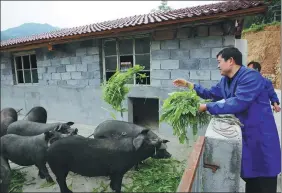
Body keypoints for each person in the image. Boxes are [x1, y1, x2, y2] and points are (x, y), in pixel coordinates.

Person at [173, 47, 281, 193]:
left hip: (261, 135)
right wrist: (188, 85)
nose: (218, 65)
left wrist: (206, 107)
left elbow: (238, 102)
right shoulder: (225, 81)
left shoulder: (250, 76)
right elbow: (210, 93)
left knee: (264, 177)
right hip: (246, 135)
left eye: (219, 61)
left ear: (230, 61)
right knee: (251, 178)